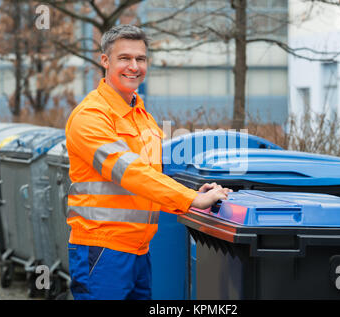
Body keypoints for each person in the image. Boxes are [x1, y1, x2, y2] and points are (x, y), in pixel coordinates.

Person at [65, 24, 231, 300]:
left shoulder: (142, 116)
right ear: (105, 61)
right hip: (103, 249)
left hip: (139, 249)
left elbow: (151, 178)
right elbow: (130, 173)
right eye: (124, 58)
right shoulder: (90, 117)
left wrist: (192, 194)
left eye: (140, 59)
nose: (134, 66)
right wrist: (189, 199)